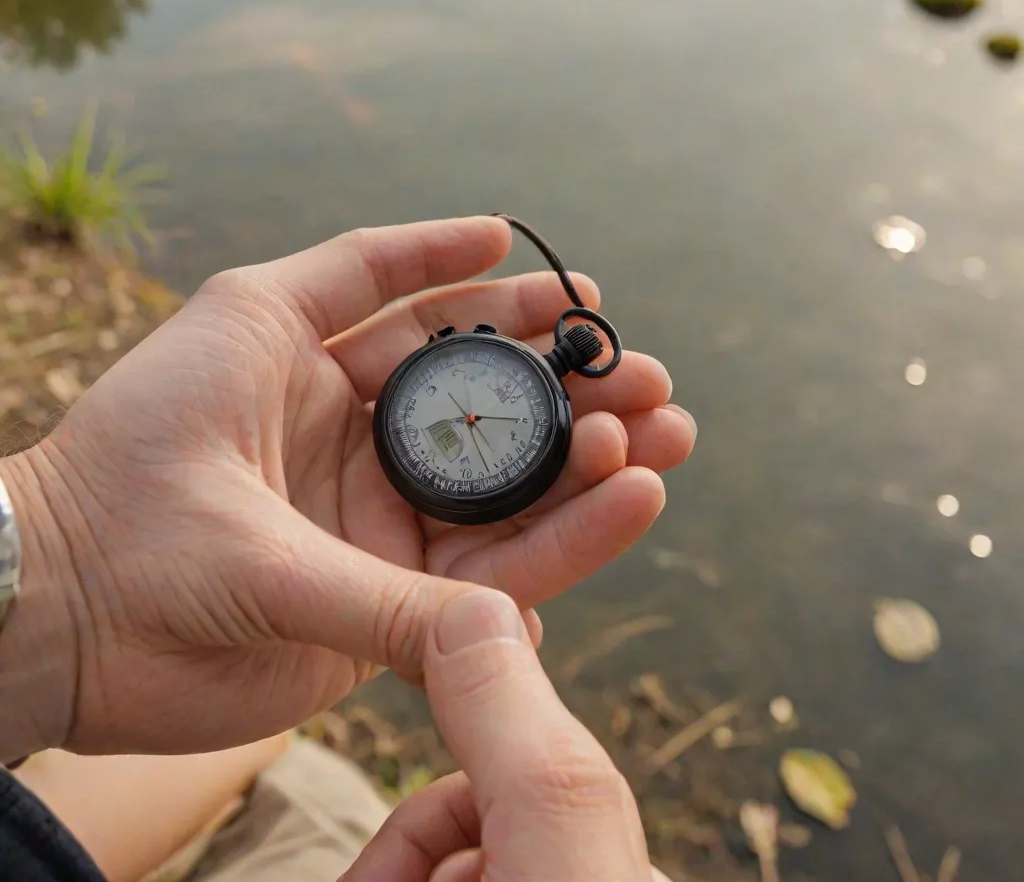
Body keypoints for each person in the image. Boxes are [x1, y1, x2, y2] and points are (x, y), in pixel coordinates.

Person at [0, 215, 696, 881]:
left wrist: (66, 555)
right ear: (443, 363)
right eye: (463, 403)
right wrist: (64, 546)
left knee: (265, 745)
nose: (470, 418)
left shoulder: (502, 390)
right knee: (306, 784)